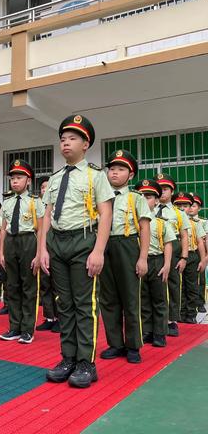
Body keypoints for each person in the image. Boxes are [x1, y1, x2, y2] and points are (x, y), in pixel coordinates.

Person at [39, 114, 113, 388]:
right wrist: (42, 249)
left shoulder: (96, 176)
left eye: (72, 139)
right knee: (64, 304)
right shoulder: (56, 178)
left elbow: (106, 213)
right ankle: (68, 357)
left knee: (85, 304)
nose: (66, 143)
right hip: (57, 243)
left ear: (86, 144)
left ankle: (86, 362)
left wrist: (99, 251)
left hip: (83, 242)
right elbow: (47, 214)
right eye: (63, 139)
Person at [99, 150, 151, 364]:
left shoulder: (136, 198)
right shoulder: (101, 197)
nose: (114, 173)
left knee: (130, 297)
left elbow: (144, 228)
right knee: (108, 298)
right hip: (104, 245)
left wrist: (143, 258)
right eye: (112, 169)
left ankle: (133, 345)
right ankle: (115, 344)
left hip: (128, 245)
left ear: (130, 175)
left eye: (120, 169)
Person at [0, 159, 44, 344]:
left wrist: (40, 253)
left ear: (28, 181)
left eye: (19, 178)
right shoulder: (7, 202)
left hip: (28, 241)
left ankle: (27, 329)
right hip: (11, 242)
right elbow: (3, 228)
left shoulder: (35, 201)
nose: (15, 181)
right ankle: (14, 327)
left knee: (28, 286)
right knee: (12, 286)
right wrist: (1, 251)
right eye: (12, 178)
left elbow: (41, 229)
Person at [134, 179, 175, 348]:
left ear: (157, 201)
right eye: (141, 196)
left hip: (157, 261)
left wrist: (166, 265)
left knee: (159, 298)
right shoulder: (132, 221)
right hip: (139, 262)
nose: (144, 199)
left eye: (149, 196)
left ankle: (160, 332)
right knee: (142, 298)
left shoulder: (161, 222)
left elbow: (168, 244)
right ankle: (147, 330)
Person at [154, 173, 190, 337]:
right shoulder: (148, 208)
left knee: (173, 285)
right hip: (153, 248)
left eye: (166, 188)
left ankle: (171, 320)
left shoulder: (178, 212)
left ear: (172, 190)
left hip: (174, 248)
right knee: (154, 285)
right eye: (159, 188)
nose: (162, 191)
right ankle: (154, 320)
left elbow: (184, 236)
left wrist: (184, 257)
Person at [172, 192, 207, 324]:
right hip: (177, 256)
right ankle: (180, 313)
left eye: (185, 205)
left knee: (192, 286)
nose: (182, 208)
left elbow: (199, 242)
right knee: (179, 286)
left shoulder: (195, 223)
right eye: (178, 205)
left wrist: (203, 259)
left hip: (192, 256)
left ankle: (191, 313)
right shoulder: (172, 221)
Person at [36, 176, 60, 334]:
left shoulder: (57, 204)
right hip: (43, 246)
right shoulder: (38, 206)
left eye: (47, 187)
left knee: (58, 284)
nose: (44, 190)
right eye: (42, 187)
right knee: (45, 283)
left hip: (57, 243)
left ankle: (60, 318)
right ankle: (49, 317)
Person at [189, 193, 207, 313]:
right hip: (188, 251)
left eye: (194, 205)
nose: (191, 208)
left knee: (200, 278)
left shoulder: (203, 222)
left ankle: (200, 301)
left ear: (199, 208)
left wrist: (205, 257)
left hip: (199, 252)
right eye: (189, 205)